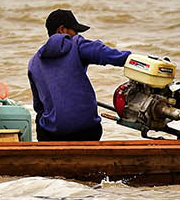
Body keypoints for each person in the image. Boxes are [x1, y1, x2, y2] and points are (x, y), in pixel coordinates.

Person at [27, 8, 130, 141]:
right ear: (62, 30)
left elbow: (39, 107)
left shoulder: (33, 62)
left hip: (51, 135)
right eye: (74, 31)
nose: (76, 35)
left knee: (42, 120)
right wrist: (134, 59)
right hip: (85, 132)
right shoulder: (76, 44)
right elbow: (106, 54)